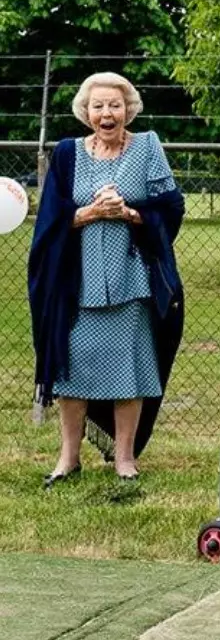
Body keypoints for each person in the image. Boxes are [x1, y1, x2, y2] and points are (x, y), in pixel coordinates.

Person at [29, 72, 186, 485]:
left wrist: (130, 213)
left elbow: (171, 208)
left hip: (132, 282)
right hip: (75, 287)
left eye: (115, 105)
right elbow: (50, 218)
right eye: (98, 106)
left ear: (128, 109)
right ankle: (68, 458)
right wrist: (90, 213)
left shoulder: (148, 146)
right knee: (70, 373)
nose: (106, 113)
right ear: (86, 112)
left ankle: (124, 459)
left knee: (130, 372)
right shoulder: (67, 153)